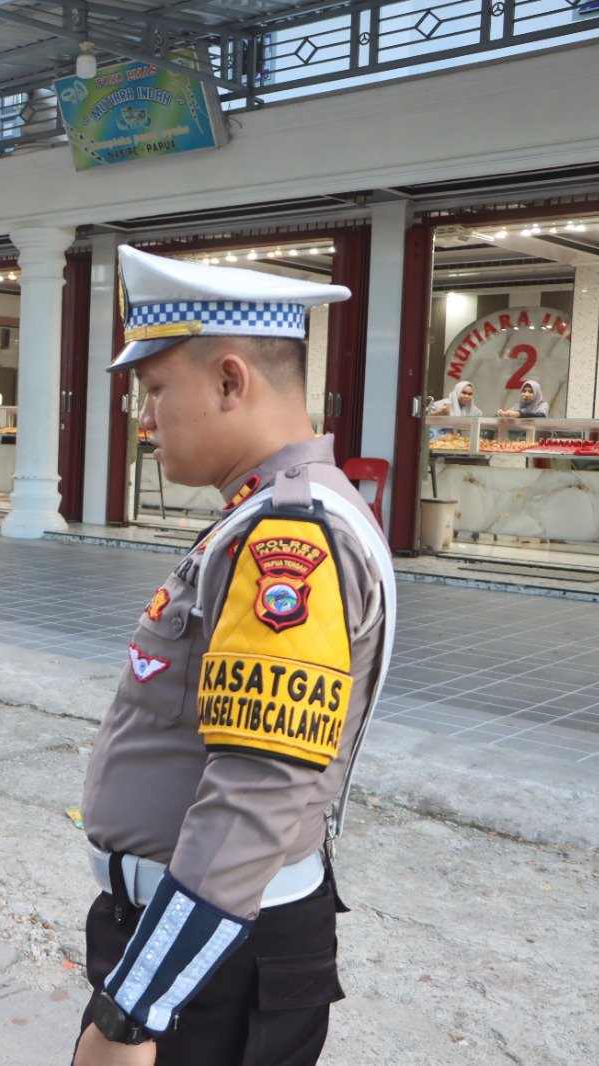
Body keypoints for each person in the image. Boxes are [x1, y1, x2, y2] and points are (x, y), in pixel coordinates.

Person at [73, 246, 395, 1066]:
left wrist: (133, 1013)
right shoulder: (263, 516)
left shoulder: (291, 538)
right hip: (203, 945)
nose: (142, 419)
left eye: (153, 391)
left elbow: (254, 796)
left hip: (212, 963)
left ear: (228, 381)